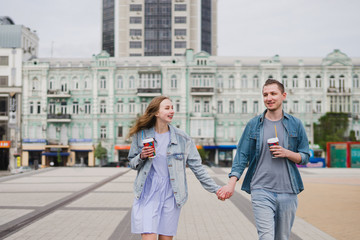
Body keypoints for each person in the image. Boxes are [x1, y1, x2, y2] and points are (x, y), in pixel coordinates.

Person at [217, 79, 310, 240]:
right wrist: (231, 184)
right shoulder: (254, 125)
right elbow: (241, 156)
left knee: (282, 237)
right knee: (266, 237)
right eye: (265, 94)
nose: (269, 98)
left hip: (288, 191)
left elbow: (305, 156)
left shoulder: (296, 124)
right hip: (260, 189)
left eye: (273, 93)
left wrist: (286, 153)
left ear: (283, 95)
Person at [128, 96, 221, 240]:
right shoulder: (141, 135)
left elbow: (198, 167)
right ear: (156, 113)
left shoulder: (182, 138)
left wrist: (216, 189)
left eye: (172, 107)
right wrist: (141, 156)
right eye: (167, 108)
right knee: (148, 236)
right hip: (148, 191)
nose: (172, 111)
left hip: (172, 193)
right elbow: (132, 163)